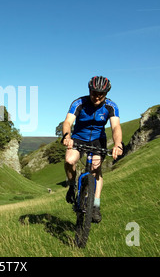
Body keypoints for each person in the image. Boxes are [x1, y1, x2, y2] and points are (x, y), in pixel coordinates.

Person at [61, 76, 123, 223]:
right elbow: (68, 122)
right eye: (94, 93)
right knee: (69, 161)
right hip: (78, 137)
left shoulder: (111, 106)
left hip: (97, 140)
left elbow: (115, 127)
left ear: (106, 94)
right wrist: (66, 136)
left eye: (101, 95)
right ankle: (71, 186)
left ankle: (95, 205)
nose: (97, 97)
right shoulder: (79, 103)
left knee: (96, 169)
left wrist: (118, 144)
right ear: (90, 90)